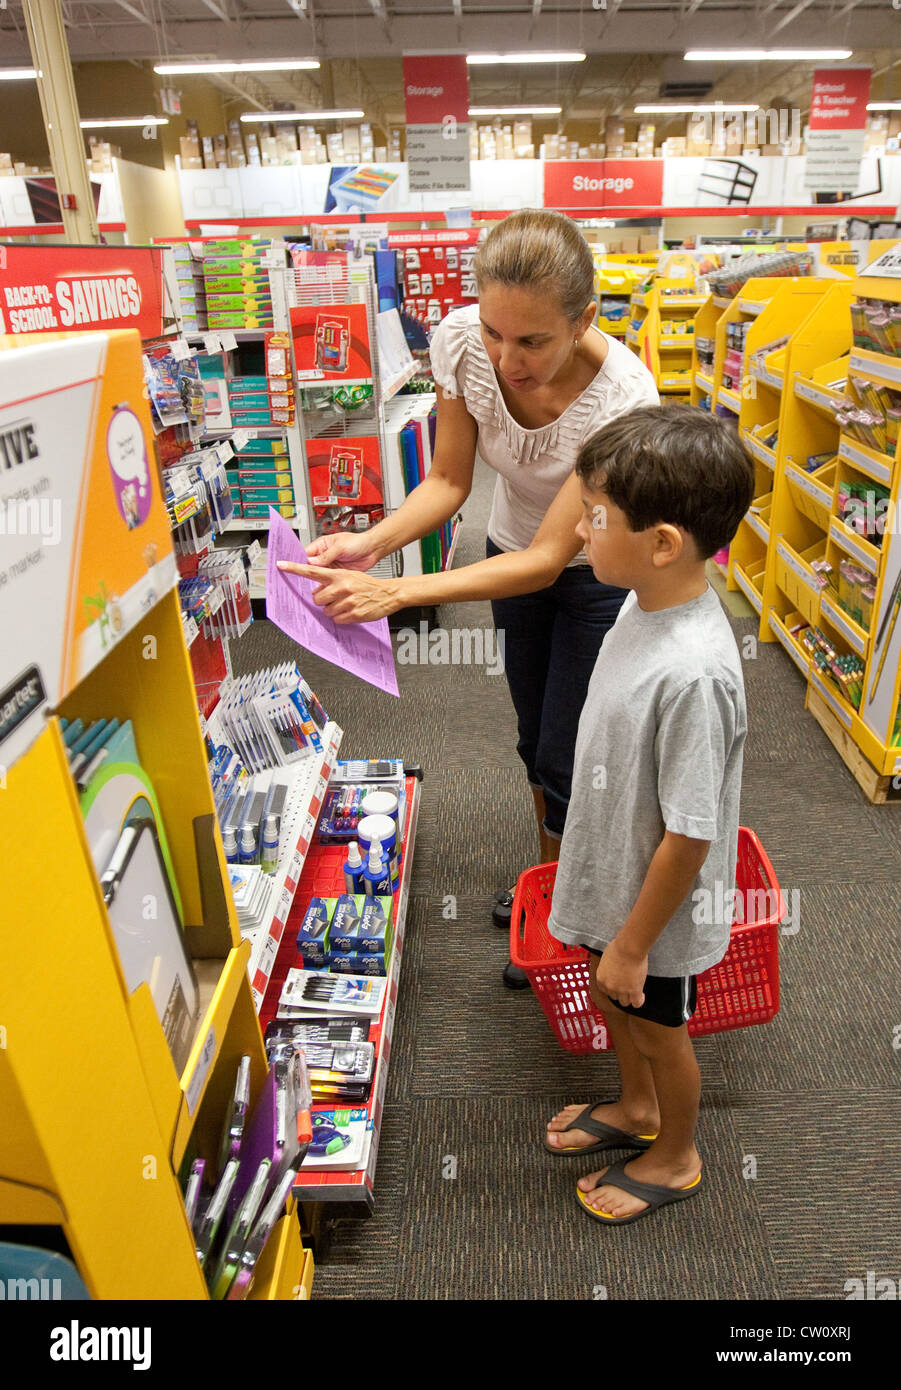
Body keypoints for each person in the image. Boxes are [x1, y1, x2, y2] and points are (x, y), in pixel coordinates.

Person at [278, 210, 658, 986]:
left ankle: (573, 911)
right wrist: (372, 542)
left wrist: (396, 591)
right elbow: (450, 480)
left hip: (593, 572)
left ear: (585, 319)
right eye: (494, 332)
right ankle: (550, 878)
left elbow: (555, 557)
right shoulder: (458, 342)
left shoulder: (623, 396)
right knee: (532, 735)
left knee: (571, 750)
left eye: (532, 341)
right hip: (506, 555)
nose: (505, 359)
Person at [542, 404, 754, 1225]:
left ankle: (674, 1155)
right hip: (614, 878)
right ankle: (634, 1111)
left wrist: (633, 945)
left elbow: (692, 831)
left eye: (595, 518)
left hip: (655, 913)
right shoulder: (640, 602)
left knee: (660, 1027)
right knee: (613, 1002)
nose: (580, 530)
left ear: (662, 542)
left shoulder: (695, 672)